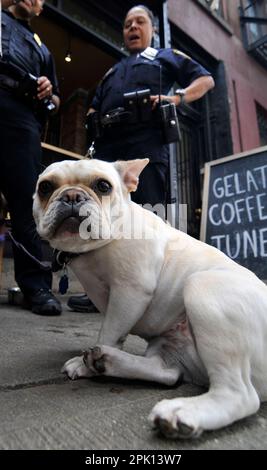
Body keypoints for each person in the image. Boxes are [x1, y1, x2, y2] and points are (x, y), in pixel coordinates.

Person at [67, 4, 215, 313]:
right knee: (100, 220)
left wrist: (177, 98)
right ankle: (103, 295)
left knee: (145, 220)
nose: (132, 28)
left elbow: (206, 80)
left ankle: (148, 294)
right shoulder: (114, 70)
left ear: (153, 30)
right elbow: (94, 106)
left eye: (140, 22)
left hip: (145, 144)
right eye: (127, 24)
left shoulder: (164, 57)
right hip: (108, 149)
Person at [0, 0, 61, 315]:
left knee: (27, 203)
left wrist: (48, 92)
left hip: (22, 119)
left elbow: (56, 100)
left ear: (40, 10)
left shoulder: (43, 49)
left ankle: (36, 287)